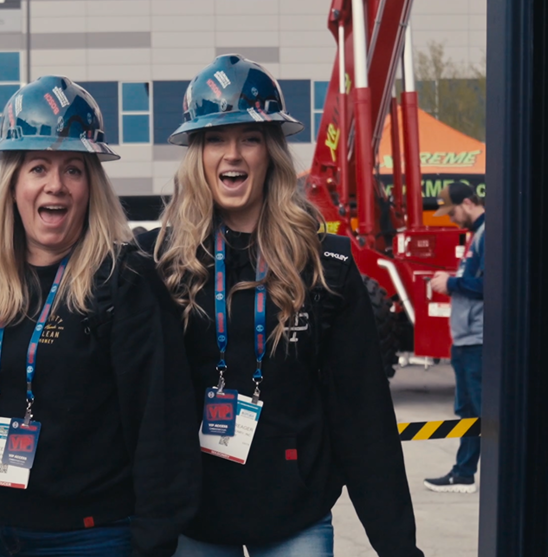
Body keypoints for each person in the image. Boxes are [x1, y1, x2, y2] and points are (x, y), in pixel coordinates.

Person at [140, 55, 423, 557]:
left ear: (271, 151)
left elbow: (363, 413)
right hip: (192, 520)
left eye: (249, 138)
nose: (233, 155)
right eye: (215, 139)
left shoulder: (323, 263)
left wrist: (399, 546)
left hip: (296, 519)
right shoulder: (159, 262)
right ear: (196, 152)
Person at [0, 75, 200, 557]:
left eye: (74, 170)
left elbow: (160, 424)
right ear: (14, 181)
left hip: (87, 534)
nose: (55, 186)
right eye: (38, 167)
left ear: (91, 184)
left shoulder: (125, 280)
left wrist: (153, 539)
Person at [424, 183, 485, 494]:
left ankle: (469, 472)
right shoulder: (480, 234)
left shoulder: (488, 234)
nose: (451, 219)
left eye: (452, 212)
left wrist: (452, 283)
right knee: (469, 411)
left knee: (479, 410)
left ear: (467, 202)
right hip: (466, 340)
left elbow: (492, 284)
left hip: (477, 340)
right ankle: (463, 472)